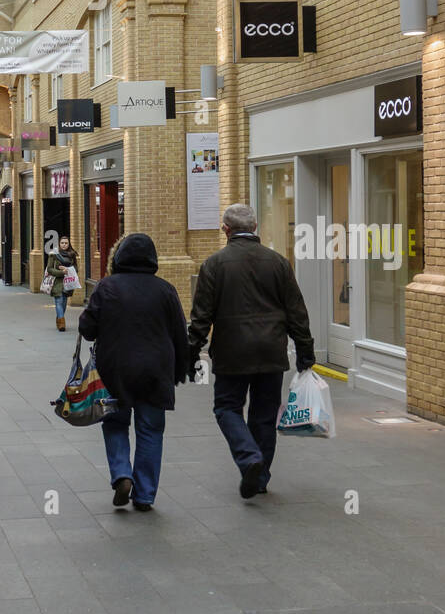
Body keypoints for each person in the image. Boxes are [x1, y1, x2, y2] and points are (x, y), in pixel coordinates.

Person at [188, 202, 316, 500]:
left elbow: (201, 316)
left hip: (232, 352)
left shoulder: (214, 264)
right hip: (272, 351)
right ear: (255, 228)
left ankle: (249, 459)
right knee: (264, 415)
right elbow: (296, 311)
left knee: (227, 408)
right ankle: (259, 478)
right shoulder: (279, 262)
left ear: (225, 229)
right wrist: (305, 350)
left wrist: (191, 351)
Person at [78, 233, 189, 511]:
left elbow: (87, 329)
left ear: (119, 258)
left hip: (115, 369)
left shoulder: (107, 287)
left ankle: (121, 474)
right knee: (151, 430)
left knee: (115, 424)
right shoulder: (166, 289)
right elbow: (180, 333)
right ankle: (145, 494)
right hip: (155, 370)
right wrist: (180, 370)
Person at [45, 237, 78, 331]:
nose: (64, 245)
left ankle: (59, 319)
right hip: (57, 283)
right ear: (59, 244)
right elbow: (49, 269)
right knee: (59, 301)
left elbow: (76, 269)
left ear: (69, 244)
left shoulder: (72, 255)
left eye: (66, 243)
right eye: (62, 243)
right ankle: (62, 324)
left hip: (68, 283)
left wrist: (68, 270)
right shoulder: (53, 255)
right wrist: (61, 272)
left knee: (63, 304)